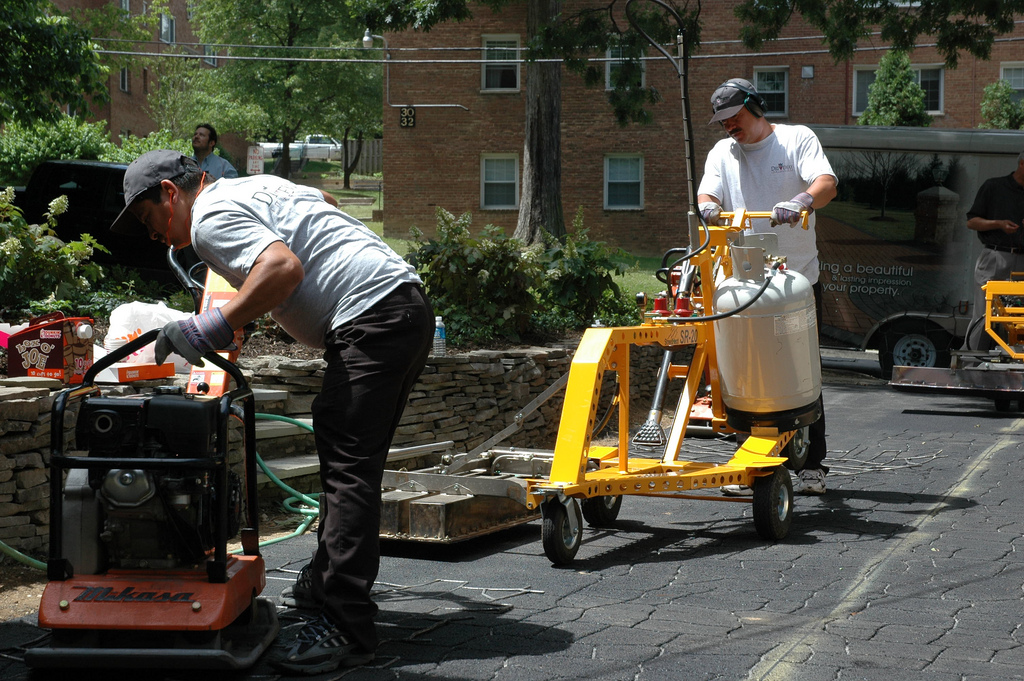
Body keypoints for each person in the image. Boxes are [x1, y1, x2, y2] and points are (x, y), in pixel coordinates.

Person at [109, 150, 433, 674]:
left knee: (349, 470)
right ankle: (327, 583)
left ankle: (346, 626)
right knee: (346, 458)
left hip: (371, 318)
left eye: (150, 220)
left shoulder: (210, 218)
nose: (154, 236)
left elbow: (282, 266)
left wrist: (210, 327)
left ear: (170, 193)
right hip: (401, 308)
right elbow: (322, 205)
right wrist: (255, 306)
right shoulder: (251, 187)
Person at [696, 78, 838, 496]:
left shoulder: (796, 140)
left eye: (734, 118)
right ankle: (750, 459)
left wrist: (801, 202)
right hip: (742, 283)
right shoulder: (723, 152)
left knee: (802, 372)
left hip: (796, 279)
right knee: (746, 372)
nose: (729, 128)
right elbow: (709, 191)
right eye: (722, 122)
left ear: (755, 107)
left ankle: (812, 464)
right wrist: (707, 206)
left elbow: (826, 183)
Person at [962, 151, 1024, 351]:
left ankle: (1016, 364)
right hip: (995, 256)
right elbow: (972, 222)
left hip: (1022, 259)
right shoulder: (994, 186)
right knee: (983, 313)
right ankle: (971, 363)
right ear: (1022, 164)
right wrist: (998, 224)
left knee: (1018, 316)